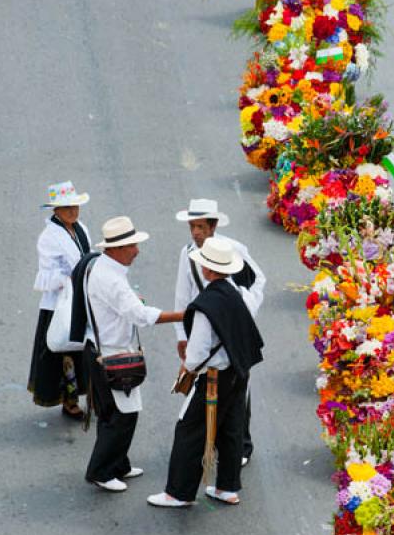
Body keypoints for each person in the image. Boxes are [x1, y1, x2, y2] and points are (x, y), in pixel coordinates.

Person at [148, 237, 264, 508]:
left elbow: (197, 351)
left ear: (208, 270)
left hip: (214, 377)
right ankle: (227, 487)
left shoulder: (206, 303)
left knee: (189, 429)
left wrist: (187, 369)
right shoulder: (236, 293)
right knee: (231, 428)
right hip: (238, 373)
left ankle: (178, 492)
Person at [83, 216, 184, 493]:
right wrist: (183, 315)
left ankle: (118, 464)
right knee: (122, 415)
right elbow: (140, 316)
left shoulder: (104, 268)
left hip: (100, 350)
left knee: (111, 412)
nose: (136, 251)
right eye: (131, 246)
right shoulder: (111, 279)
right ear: (115, 249)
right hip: (112, 355)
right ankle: (101, 471)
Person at [174, 198, 265, 466]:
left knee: (238, 390)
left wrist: (243, 311)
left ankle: (241, 447)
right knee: (206, 390)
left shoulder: (232, 249)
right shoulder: (187, 253)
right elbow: (182, 295)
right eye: (192, 227)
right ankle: (212, 443)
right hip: (203, 331)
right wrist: (182, 334)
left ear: (213, 226)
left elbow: (257, 280)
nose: (196, 233)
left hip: (232, 333)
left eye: (201, 227)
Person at [28, 181, 92, 419]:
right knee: (63, 354)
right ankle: (70, 400)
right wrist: (68, 277)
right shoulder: (48, 237)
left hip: (81, 300)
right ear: (55, 211)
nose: (73, 212)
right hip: (59, 307)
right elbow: (46, 274)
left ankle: (87, 394)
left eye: (74, 206)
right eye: (67, 208)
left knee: (84, 350)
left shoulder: (81, 227)